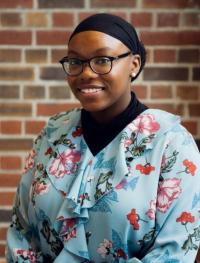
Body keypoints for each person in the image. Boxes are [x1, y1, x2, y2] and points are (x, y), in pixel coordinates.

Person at [6, 13, 200, 263]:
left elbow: (175, 251)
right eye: (75, 61)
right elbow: (22, 231)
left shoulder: (171, 144)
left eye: (102, 60)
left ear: (134, 64)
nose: (86, 73)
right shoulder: (52, 135)